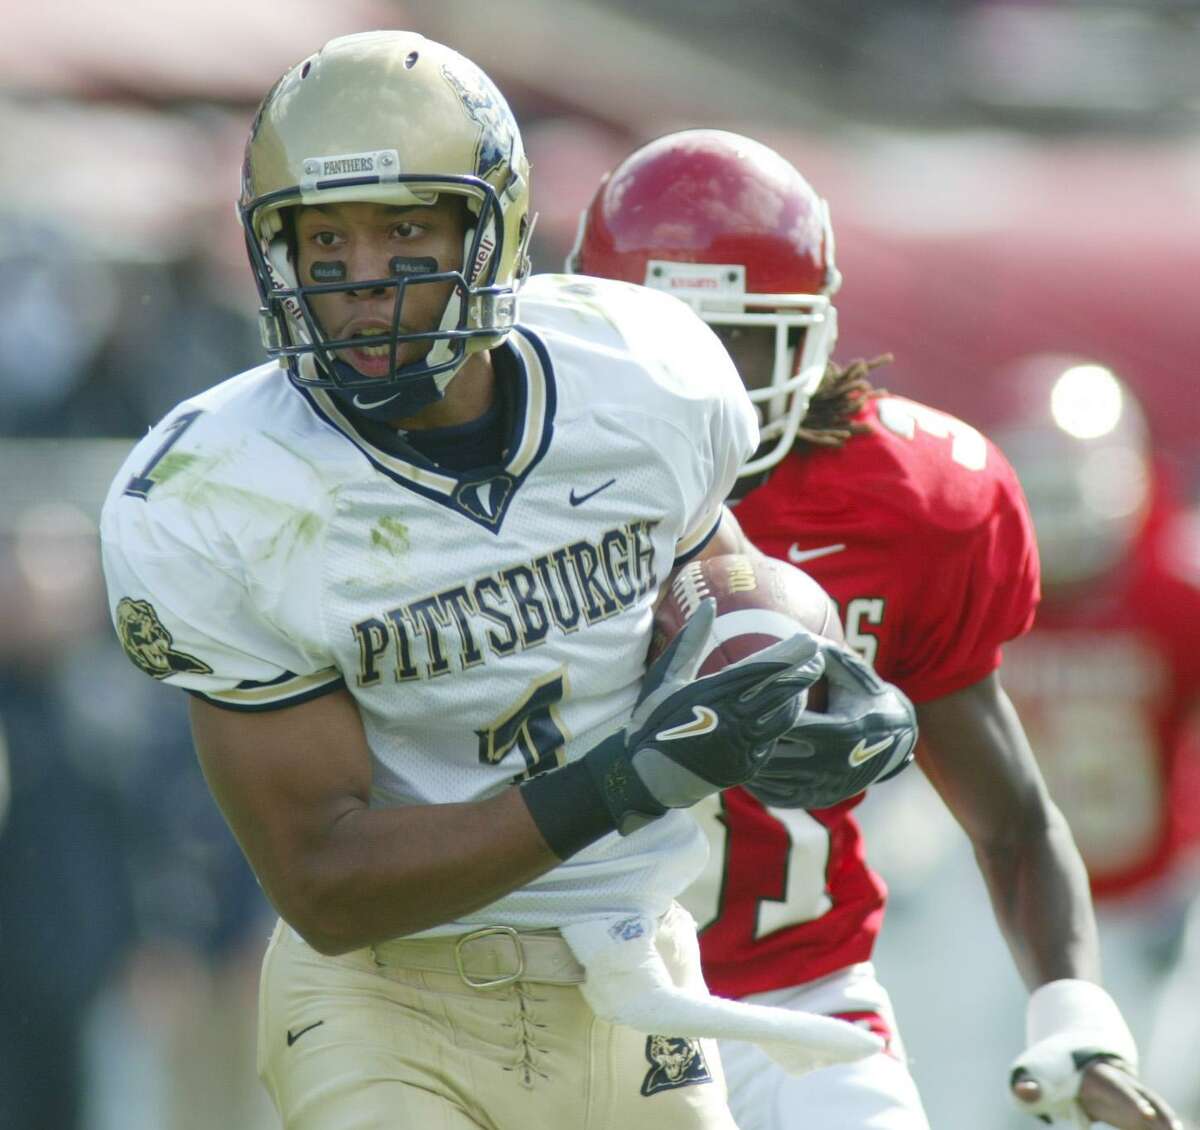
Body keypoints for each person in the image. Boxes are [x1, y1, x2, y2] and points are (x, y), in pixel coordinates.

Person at [99, 35, 917, 1130]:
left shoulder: (642, 376)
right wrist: (628, 779)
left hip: (637, 971)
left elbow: (717, 564)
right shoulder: (218, 492)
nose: (362, 280)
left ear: (492, 232)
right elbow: (327, 878)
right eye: (324, 237)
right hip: (386, 997)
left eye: (404, 228)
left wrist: (799, 659)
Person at [571, 129, 1183, 1130]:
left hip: (798, 1003)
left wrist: (1073, 1005)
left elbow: (1014, 816)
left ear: (808, 337)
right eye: (667, 333)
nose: (702, 383)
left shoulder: (911, 499)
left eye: (737, 337)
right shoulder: (521, 494)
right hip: (561, 1003)